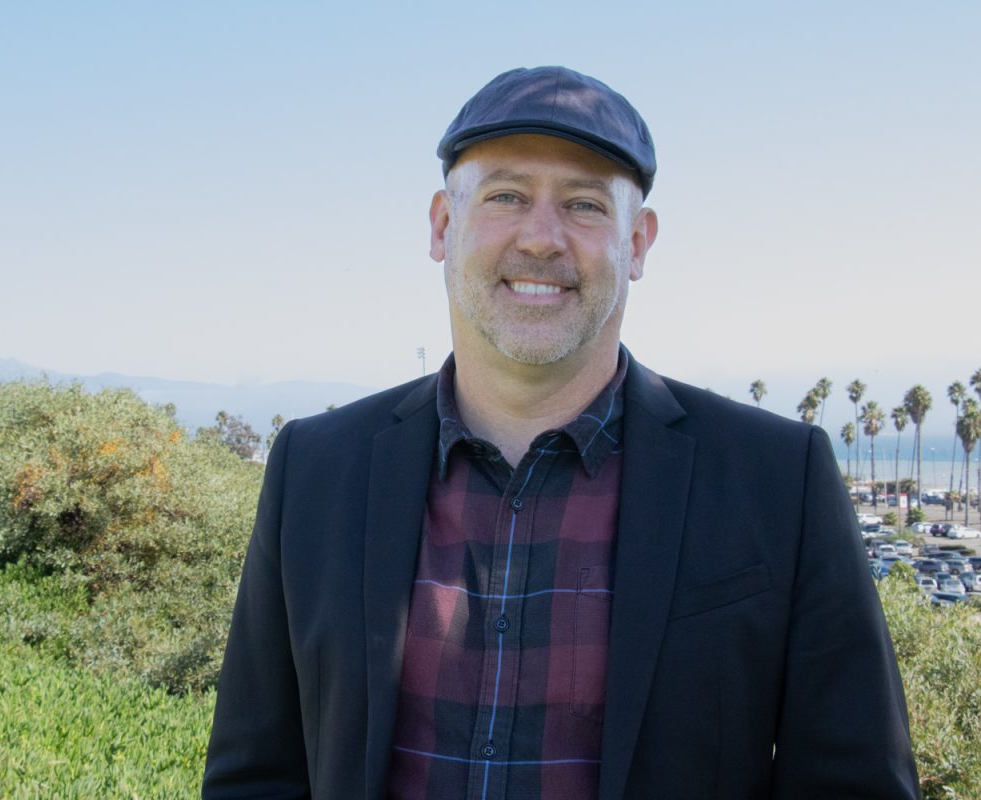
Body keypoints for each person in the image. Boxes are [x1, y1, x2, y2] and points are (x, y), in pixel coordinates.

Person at [203, 66, 919, 799]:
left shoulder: (777, 479)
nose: (542, 239)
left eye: (583, 205)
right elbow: (256, 775)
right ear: (443, 227)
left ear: (637, 243)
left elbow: (854, 781)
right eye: (506, 196)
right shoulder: (316, 471)